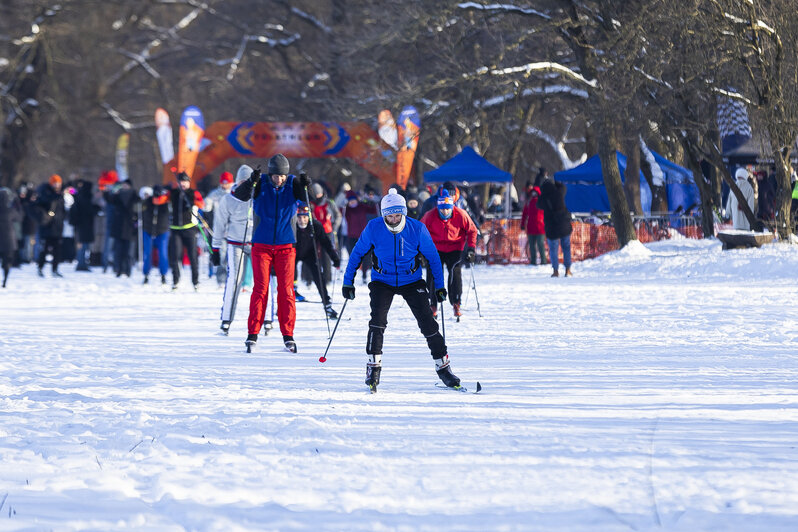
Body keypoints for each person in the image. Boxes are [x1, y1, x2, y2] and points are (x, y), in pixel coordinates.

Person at [341, 188, 461, 392]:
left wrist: (439, 286)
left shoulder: (417, 229)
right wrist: (348, 281)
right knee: (377, 322)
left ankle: (444, 367)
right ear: (383, 214)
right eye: (390, 215)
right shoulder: (374, 228)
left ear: (404, 213)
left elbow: (433, 258)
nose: (394, 219)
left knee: (427, 322)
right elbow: (356, 254)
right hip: (382, 280)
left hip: (411, 279)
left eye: (398, 215)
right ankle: (373, 367)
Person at [232, 154, 311, 353]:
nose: (279, 179)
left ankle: (288, 334)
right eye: (276, 176)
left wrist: (305, 185)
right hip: (261, 245)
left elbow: (307, 198)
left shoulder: (292, 183)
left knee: (286, 291)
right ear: (270, 173)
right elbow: (240, 195)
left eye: (282, 176)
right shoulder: (261, 183)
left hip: (286, 246)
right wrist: (251, 181)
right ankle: (252, 333)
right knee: (260, 289)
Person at [420, 189, 478, 319]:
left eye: (447, 209)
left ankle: (456, 302)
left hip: (455, 248)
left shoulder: (461, 214)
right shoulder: (430, 215)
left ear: (452, 207)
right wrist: (420, 251)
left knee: (455, 274)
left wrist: (471, 249)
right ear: (438, 207)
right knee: (434, 274)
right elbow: (420, 232)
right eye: (442, 209)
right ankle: (433, 304)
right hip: (435, 249)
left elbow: (472, 230)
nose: (445, 212)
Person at [211, 165, 254, 334]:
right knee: (234, 280)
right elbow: (219, 225)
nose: (244, 184)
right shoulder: (229, 199)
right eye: (241, 181)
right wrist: (215, 248)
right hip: (236, 243)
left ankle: (266, 318)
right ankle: (227, 318)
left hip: (257, 244)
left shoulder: (258, 196)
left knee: (263, 282)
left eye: (247, 181)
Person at [294, 201, 341, 318]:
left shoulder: (315, 226)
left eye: (305, 217)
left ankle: (327, 304)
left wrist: (335, 258)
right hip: (293, 252)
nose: (302, 221)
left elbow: (326, 243)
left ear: (309, 217)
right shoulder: (292, 225)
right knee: (288, 275)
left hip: (310, 253)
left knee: (319, 277)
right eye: (299, 218)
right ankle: (286, 301)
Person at [169, 172, 204, 290]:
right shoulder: (173, 193)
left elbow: (201, 204)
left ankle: (195, 281)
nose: (183, 183)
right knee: (175, 255)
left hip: (190, 228)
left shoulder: (193, 193)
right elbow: (160, 200)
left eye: (185, 181)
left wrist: (193, 202)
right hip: (175, 229)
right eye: (181, 181)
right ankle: (176, 280)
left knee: (193, 256)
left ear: (189, 182)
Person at [204, 171, 234, 285]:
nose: (224, 185)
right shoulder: (215, 194)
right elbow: (206, 206)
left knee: (231, 256)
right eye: (223, 183)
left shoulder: (235, 192)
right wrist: (203, 204)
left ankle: (232, 278)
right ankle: (221, 279)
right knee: (221, 254)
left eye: (227, 183)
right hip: (220, 229)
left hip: (233, 229)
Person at [308, 182, 341, 285]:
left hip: (326, 231)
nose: (318, 196)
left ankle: (327, 279)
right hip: (314, 231)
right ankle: (309, 278)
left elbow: (338, 215)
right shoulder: (310, 203)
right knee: (311, 255)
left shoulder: (329, 203)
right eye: (316, 194)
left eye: (319, 193)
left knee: (326, 255)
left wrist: (335, 226)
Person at [539, 179, 573, 277]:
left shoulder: (544, 199)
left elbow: (538, 205)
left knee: (553, 250)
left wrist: (542, 194)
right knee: (566, 248)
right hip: (564, 226)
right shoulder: (559, 193)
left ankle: (555, 271)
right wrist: (558, 183)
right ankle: (568, 270)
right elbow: (564, 188)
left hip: (551, 228)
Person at [342, 190, 378, 284]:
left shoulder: (362, 206)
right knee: (353, 256)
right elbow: (340, 211)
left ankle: (364, 274)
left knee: (366, 256)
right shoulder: (347, 209)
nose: (352, 202)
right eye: (350, 201)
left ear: (357, 200)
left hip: (363, 236)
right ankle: (352, 275)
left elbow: (373, 210)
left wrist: (372, 201)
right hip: (351, 236)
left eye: (353, 200)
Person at [34, 174, 67, 277]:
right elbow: (48, 199)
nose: (57, 185)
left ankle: (55, 269)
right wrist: (60, 194)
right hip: (47, 227)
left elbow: (62, 210)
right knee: (44, 250)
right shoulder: (45, 192)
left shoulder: (60, 196)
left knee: (57, 250)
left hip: (57, 227)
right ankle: (40, 268)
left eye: (59, 183)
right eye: (56, 183)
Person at [105, 179, 139, 277]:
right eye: (123, 185)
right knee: (118, 250)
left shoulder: (134, 197)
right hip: (119, 227)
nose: (124, 187)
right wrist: (107, 192)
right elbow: (109, 200)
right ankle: (118, 269)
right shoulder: (117, 196)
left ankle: (127, 270)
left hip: (129, 227)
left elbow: (138, 209)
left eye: (126, 185)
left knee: (128, 252)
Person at [141, 185, 171, 284]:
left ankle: (163, 274)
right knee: (147, 253)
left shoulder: (165, 202)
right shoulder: (148, 201)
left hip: (162, 230)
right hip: (148, 230)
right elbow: (143, 210)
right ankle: (146, 274)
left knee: (162, 253)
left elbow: (167, 213)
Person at [70, 180, 100, 271]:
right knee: (83, 246)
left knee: (82, 245)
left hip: (81, 226)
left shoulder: (80, 196)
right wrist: (97, 208)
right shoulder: (85, 197)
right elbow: (89, 210)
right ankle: (81, 264)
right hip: (84, 226)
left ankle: (82, 263)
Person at [0, 186, 22, 287]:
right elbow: (20, 217)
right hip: (8, 241)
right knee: (7, 262)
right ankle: (5, 280)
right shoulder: (10, 210)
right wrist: (17, 203)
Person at [520, 185, 547, 265]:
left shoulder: (542, 202)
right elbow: (524, 214)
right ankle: (533, 261)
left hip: (540, 228)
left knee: (540, 245)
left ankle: (543, 261)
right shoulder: (528, 202)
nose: (534, 194)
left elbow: (546, 214)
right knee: (532, 245)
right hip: (532, 227)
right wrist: (522, 224)